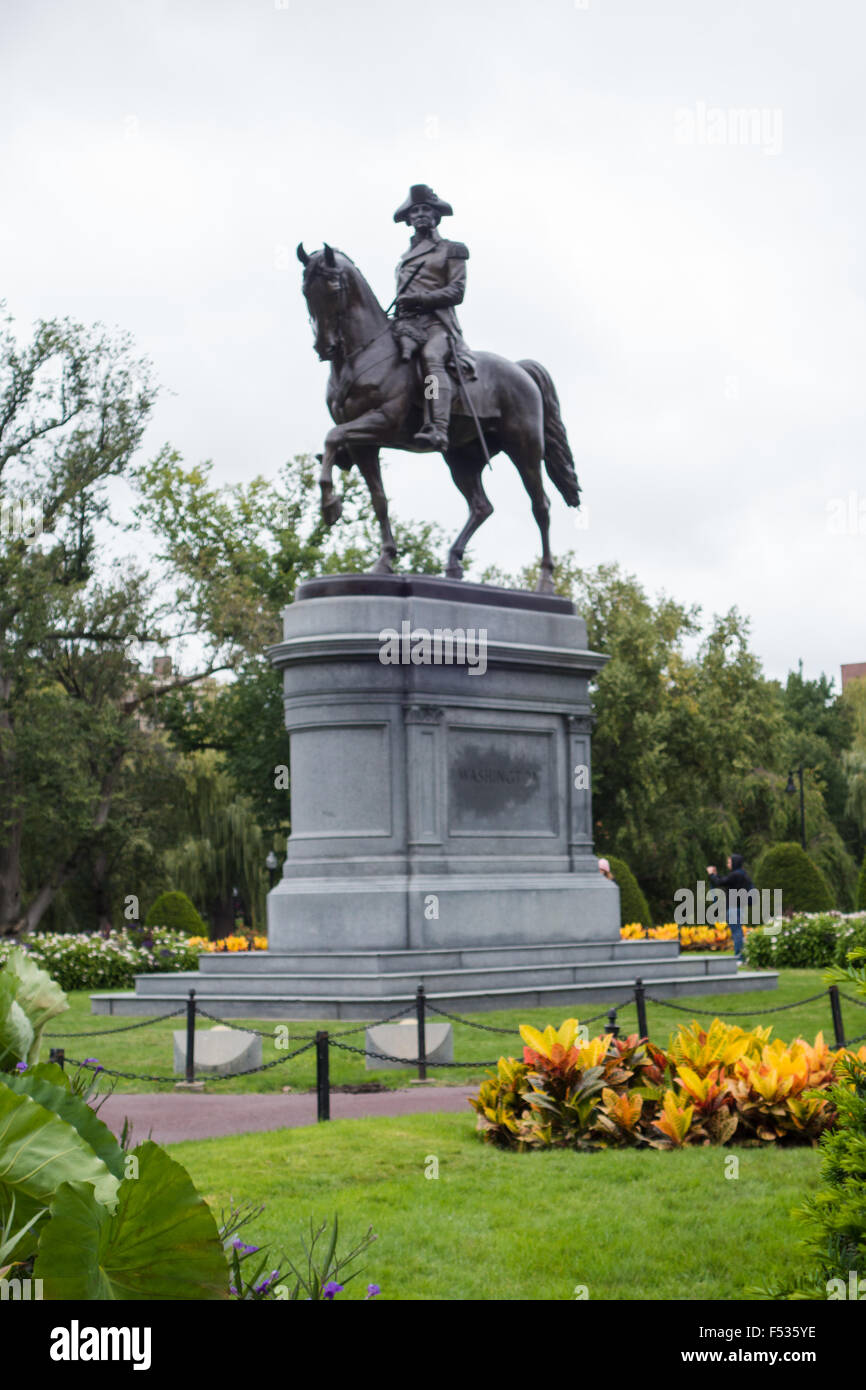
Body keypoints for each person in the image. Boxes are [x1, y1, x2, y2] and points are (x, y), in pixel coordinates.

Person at [392, 183, 476, 450]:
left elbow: (456, 291)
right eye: (415, 210)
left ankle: (438, 426)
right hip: (407, 324)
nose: (420, 215)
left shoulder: (452, 249)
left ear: (435, 215)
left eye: (425, 209)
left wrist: (419, 299)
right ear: (408, 218)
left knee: (431, 359)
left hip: (438, 325)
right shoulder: (404, 257)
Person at [706, 854, 753, 964]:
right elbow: (724, 880)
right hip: (739, 908)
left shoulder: (736, 875)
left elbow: (719, 882)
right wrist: (715, 875)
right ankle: (742, 956)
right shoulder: (741, 874)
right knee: (738, 932)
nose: (728, 865)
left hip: (733, 908)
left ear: (735, 863)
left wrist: (711, 874)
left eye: (729, 862)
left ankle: (739, 957)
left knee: (737, 933)